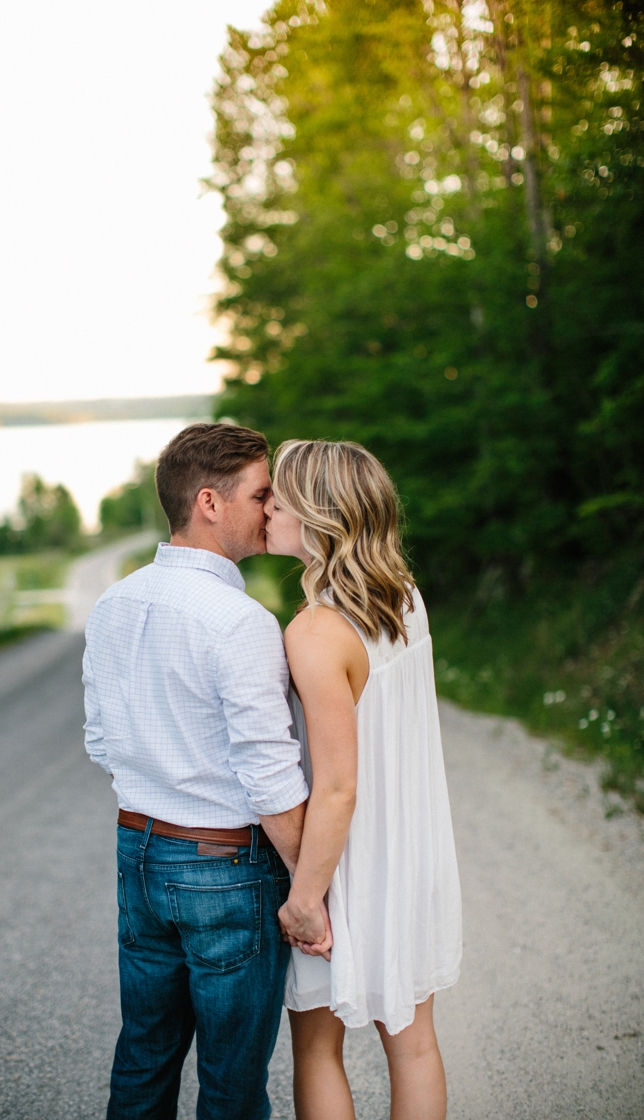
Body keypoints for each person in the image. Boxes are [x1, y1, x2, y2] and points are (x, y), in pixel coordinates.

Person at [83, 422, 309, 1120]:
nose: (270, 509)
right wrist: (312, 885)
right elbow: (272, 779)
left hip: (138, 850)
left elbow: (99, 741)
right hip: (225, 867)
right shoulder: (241, 622)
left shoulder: (113, 603)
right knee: (233, 1082)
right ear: (210, 502)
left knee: (145, 1054)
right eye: (261, 494)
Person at [267, 440, 462, 1120]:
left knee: (318, 1048)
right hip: (410, 853)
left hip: (344, 864)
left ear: (317, 514)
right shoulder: (403, 598)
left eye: (281, 495)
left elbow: (338, 786)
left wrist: (305, 898)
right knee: (413, 1045)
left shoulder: (316, 631)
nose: (269, 505)